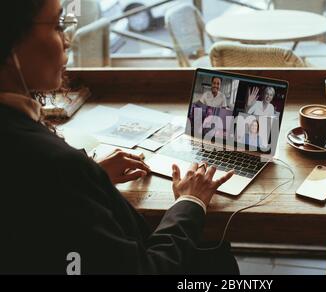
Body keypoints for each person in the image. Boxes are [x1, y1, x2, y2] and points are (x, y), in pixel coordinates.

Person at [0, 0, 237, 274]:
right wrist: (190, 202)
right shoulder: (56, 165)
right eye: (56, 25)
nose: (67, 42)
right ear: (9, 41)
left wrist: (90, 179)